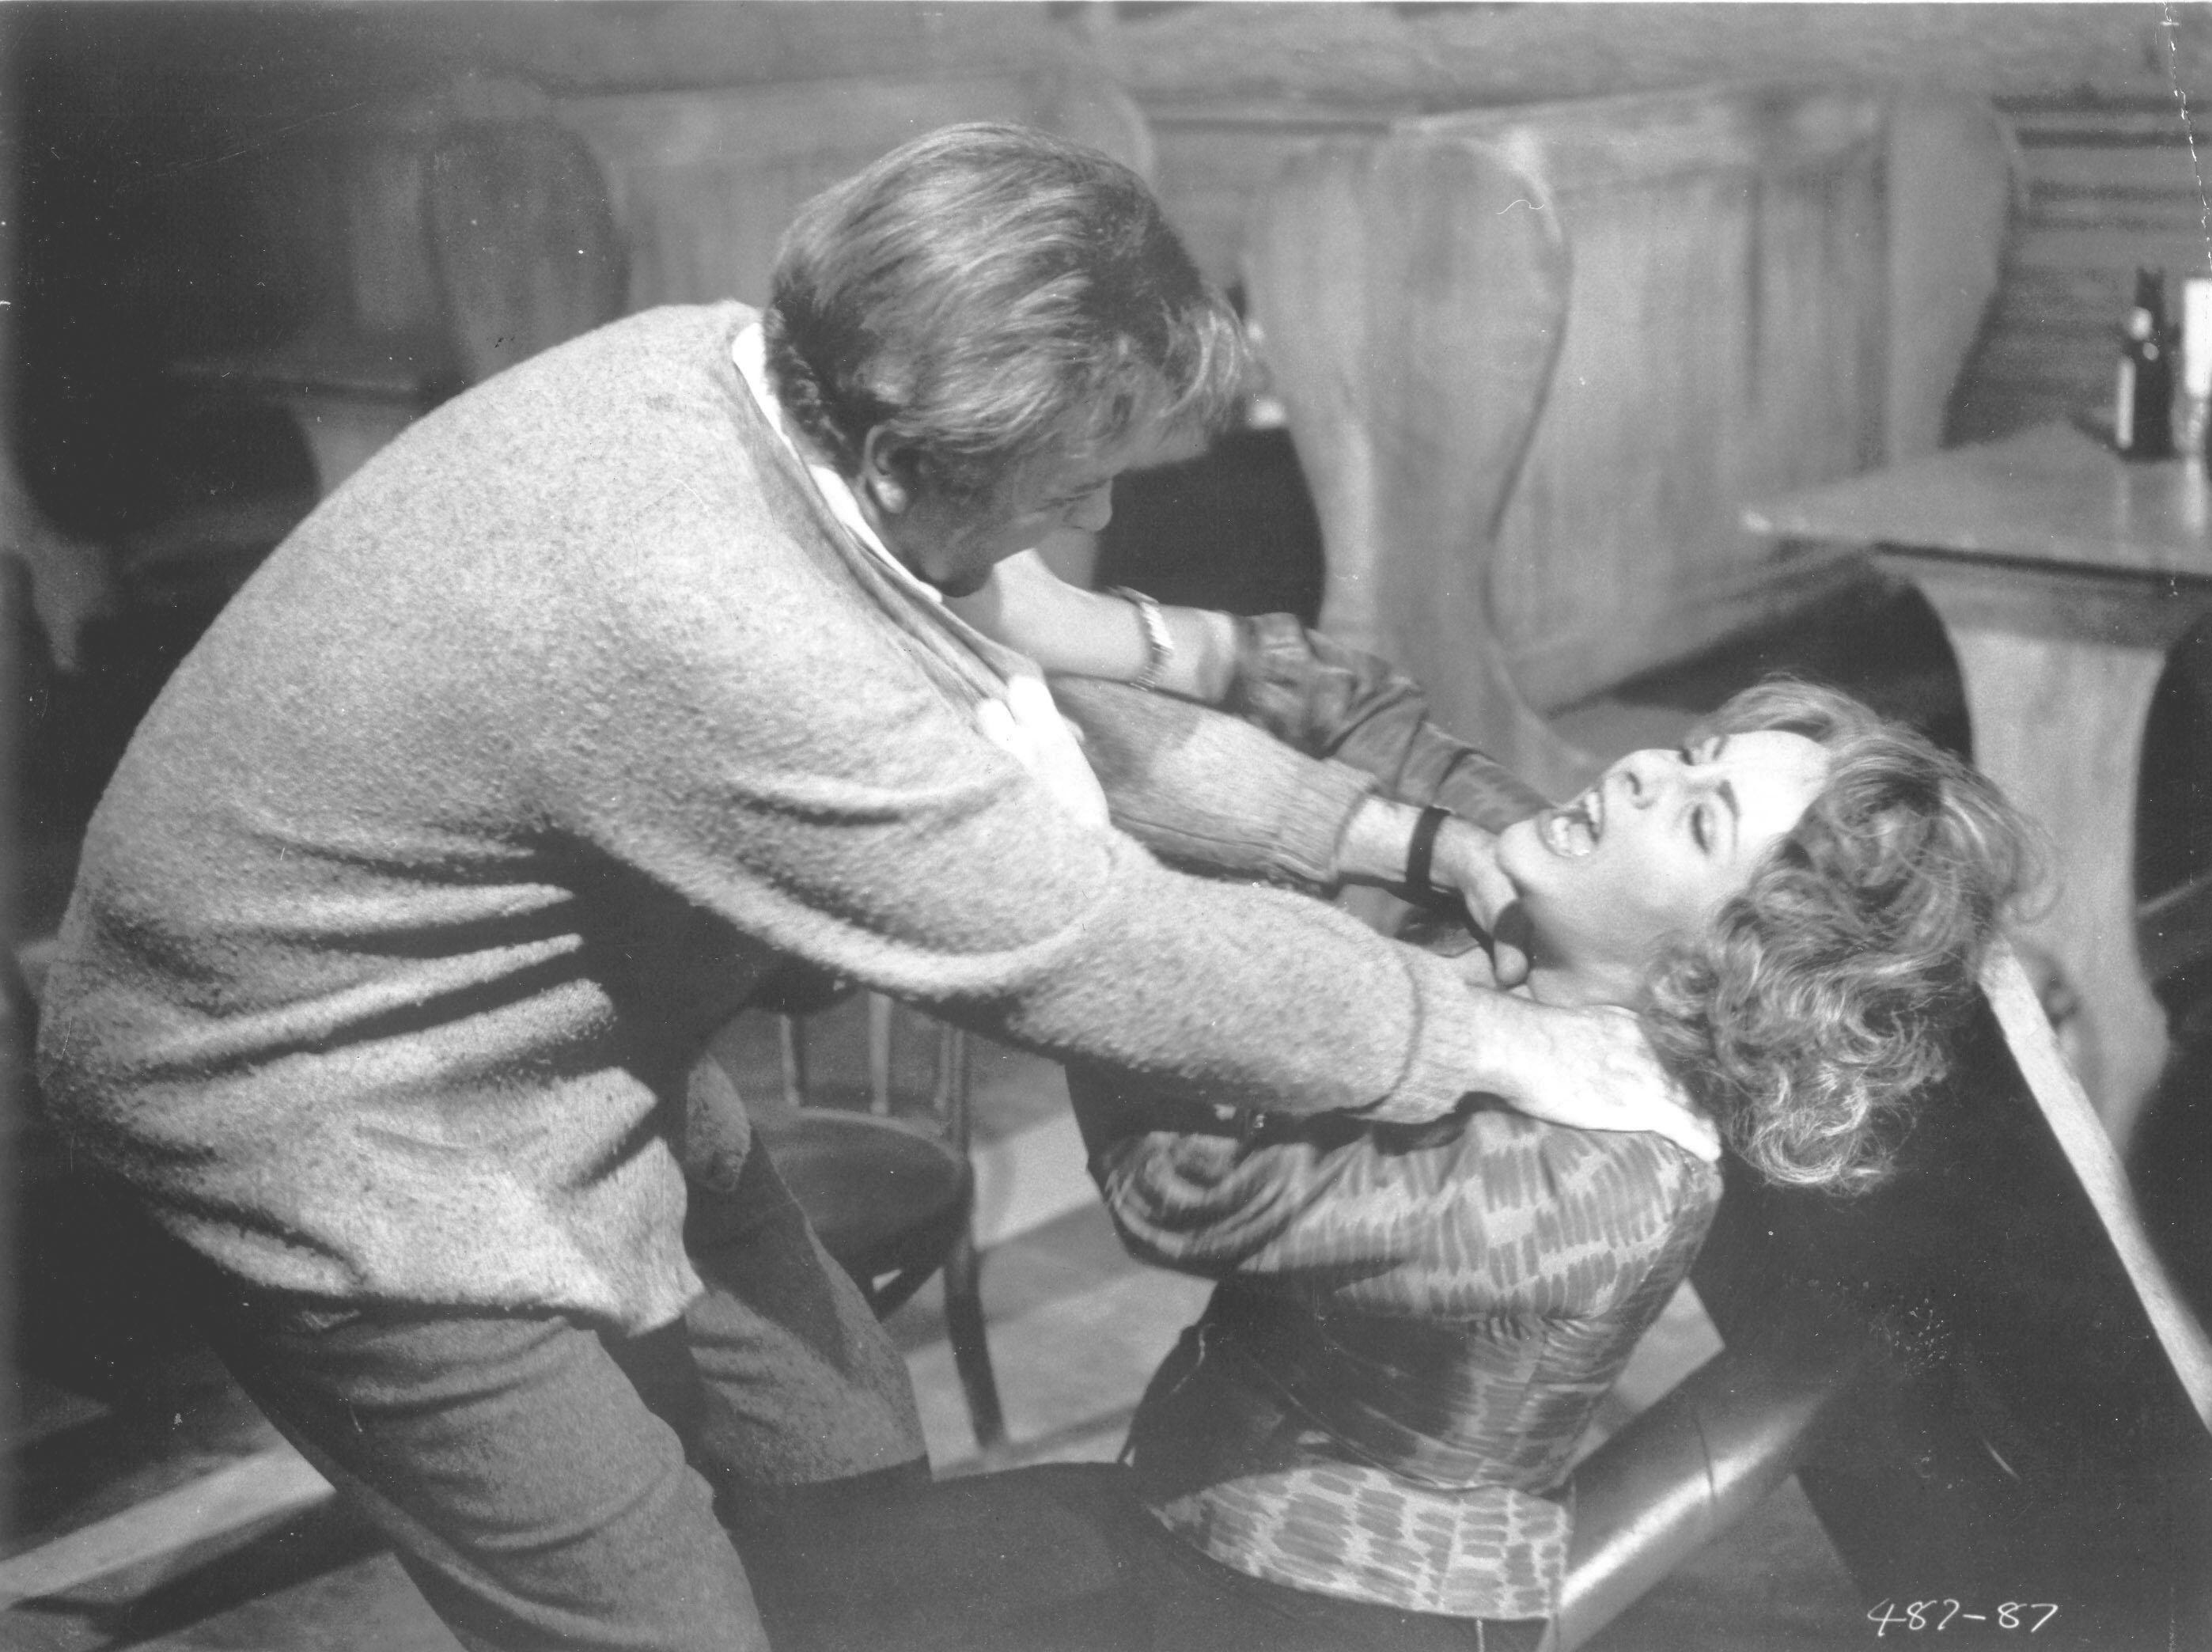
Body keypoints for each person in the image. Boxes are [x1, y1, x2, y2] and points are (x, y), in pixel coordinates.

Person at [29, 124, 1703, 1652]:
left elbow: (1028, 711)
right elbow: (1080, 943)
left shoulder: (750, 372)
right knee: (654, 1609)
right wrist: (1500, 1039)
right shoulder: (720, 615)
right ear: (908, 461)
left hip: (541, 1026)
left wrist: (1413, 842)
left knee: (838, 1450)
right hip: (312, 1104)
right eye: (1072, 485)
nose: (1100, 515)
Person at [736, 663, 2031, 1652]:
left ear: (1724, 965)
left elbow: (1181, 1187)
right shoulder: (1568, 945)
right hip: (1190, 1522)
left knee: (766, 1606)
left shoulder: (1616, 1183)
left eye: (1701, 821)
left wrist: (1086, 883)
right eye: (1691, 755)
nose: (1644, 774)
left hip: (1330, 1615)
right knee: (782, 1586)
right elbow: (1376, 724)